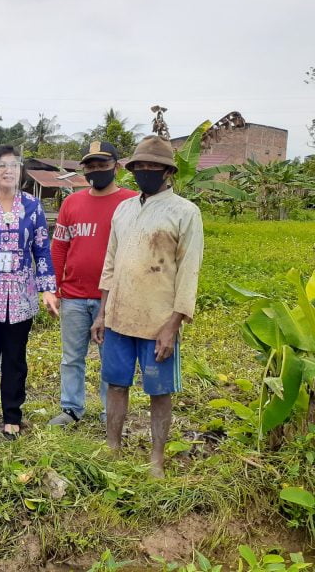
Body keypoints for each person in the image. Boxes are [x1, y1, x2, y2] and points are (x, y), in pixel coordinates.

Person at [91, 135, 204, 477]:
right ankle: (112, 445)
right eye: (140, 166)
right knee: (115, 383)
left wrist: (173, 324)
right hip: (119, 316)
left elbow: (189, 272)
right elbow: (111, 263)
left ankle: (156, 458)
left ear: (168, 171)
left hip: (158, 321)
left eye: (154, 166)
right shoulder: (123, 209)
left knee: (159, 391)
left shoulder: (185, 212)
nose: (146, 171)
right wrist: (102, 311)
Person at [0, 145, 59, 439]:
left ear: (21, 171)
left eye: (14, 165)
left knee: (16, 358)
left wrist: (48, 289)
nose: (8, 170)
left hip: (21, 296)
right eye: (1, 165)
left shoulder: (33, 206)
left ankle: (12, 415)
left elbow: (42, 248)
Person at [48, 142, 137, 426]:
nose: (97, 170)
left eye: (103, 164)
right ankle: (71, 408)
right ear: (84, 169)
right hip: (73, 295)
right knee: (71, 357)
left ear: (116, 166)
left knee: (110, 359)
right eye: (91, 166)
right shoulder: (71, 203)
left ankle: (107, 412)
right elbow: (59, 248)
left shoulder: (132, 203)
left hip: (113, 297)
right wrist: (54, 287)